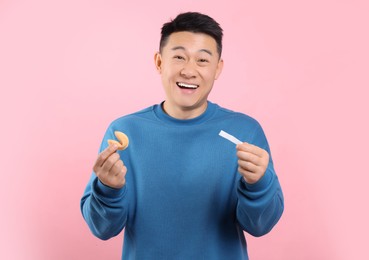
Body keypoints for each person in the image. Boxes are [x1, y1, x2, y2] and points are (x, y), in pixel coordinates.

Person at [80, 11, 284, 260]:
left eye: (202, 60)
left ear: (218, 68)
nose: (189, 71)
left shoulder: (245, 132)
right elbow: (102, 228)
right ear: (159, 62)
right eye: (179, 57)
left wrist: (259, 184)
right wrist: (108, 189)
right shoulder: (124, 132)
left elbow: (260, 226)